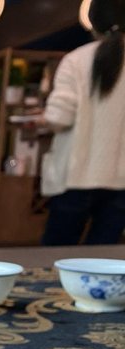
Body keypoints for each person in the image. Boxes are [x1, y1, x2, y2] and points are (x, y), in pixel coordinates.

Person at [41, 0, 125, 245]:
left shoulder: (76, 60)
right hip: (121, 180)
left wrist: (40, 119)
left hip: (75, 176)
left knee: (56, 256)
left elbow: (59, 118)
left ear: (93, 23)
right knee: (101, 259)